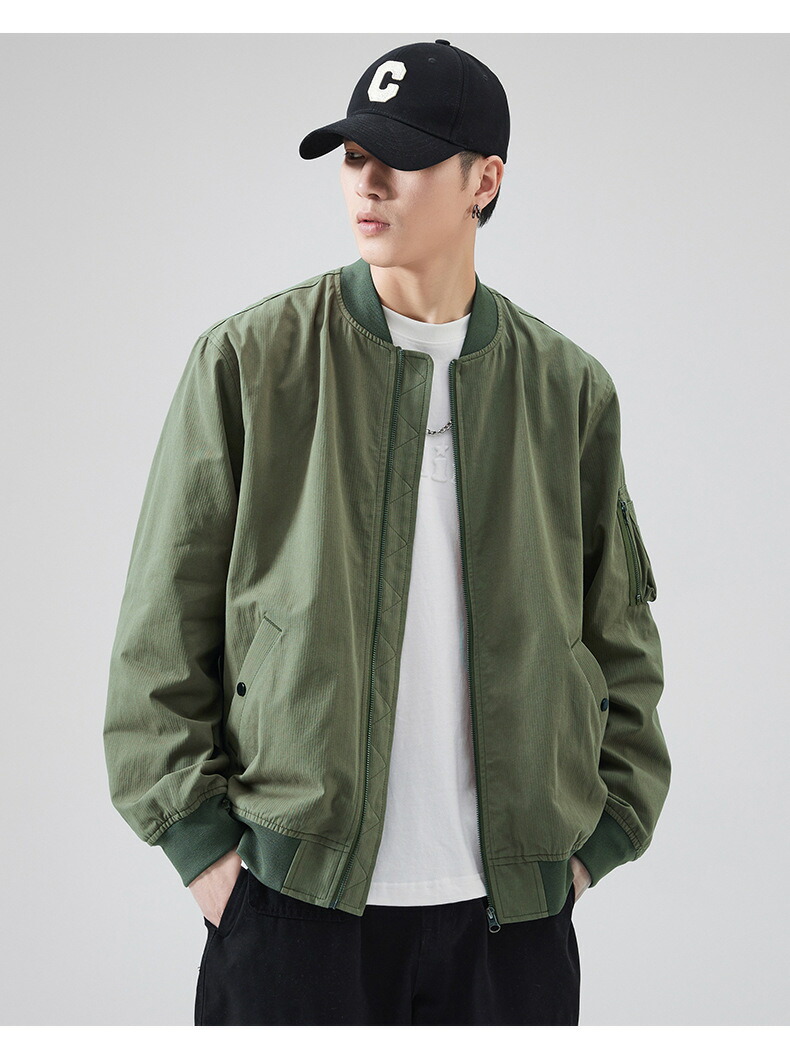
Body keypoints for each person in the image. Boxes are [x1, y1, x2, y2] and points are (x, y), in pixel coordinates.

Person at [103, 39, 671, 1026]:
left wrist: (599, 838)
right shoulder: (251, 362)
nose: (367, 183)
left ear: (484, 181)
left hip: (511, 922)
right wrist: (208, 858)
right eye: (355, 157)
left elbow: (618, 636)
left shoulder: (568, 390)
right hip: (289, 905)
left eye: (401, 159)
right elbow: (159, 635)